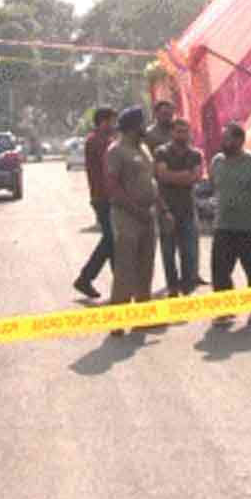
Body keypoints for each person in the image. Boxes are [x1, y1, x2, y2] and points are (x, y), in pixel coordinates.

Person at [104, 107, 167, 336]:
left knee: (146, 267)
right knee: (125, 270)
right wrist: (135, 210)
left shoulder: (143, 148)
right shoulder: (116, 150)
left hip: (147, 217)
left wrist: (163, 209)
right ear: (133, 127)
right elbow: (112, 187)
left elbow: (151, 182)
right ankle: (117, 321)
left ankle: (142, 317)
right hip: (126, 218)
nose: (146, 127)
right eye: (142, 123)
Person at [209, 122, 251, 326]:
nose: (224, 142)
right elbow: (215, 185)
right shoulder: (217, 162)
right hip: (223, 226)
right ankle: (225, 309)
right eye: (224, 138)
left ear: (239, 140)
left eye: (228, 138)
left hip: (250, 227)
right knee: (220, 270)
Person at [154, 118, 204, 297]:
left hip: (188, 210)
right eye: (178, 131)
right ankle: (172, 288)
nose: (181, 135)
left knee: (189, 253)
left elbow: (196, 177)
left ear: (189, 133)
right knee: (168, 253)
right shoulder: (161, 152)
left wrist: (173, 176)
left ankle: (187, 287)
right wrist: (184, 175)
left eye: (185, 131)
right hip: (166, 209)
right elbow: (162, 175)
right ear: (172, 133)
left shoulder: (196, 154)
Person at [74, 107, 117, 299]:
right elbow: (110, 166)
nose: (114, 125)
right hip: (103, 197)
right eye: (111, 121)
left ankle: (90, 279)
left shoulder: (103, 140)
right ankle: (86, 278)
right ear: (102, 122)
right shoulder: (97, 141)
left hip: (106, 196)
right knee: (112, 239)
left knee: (112, 240)